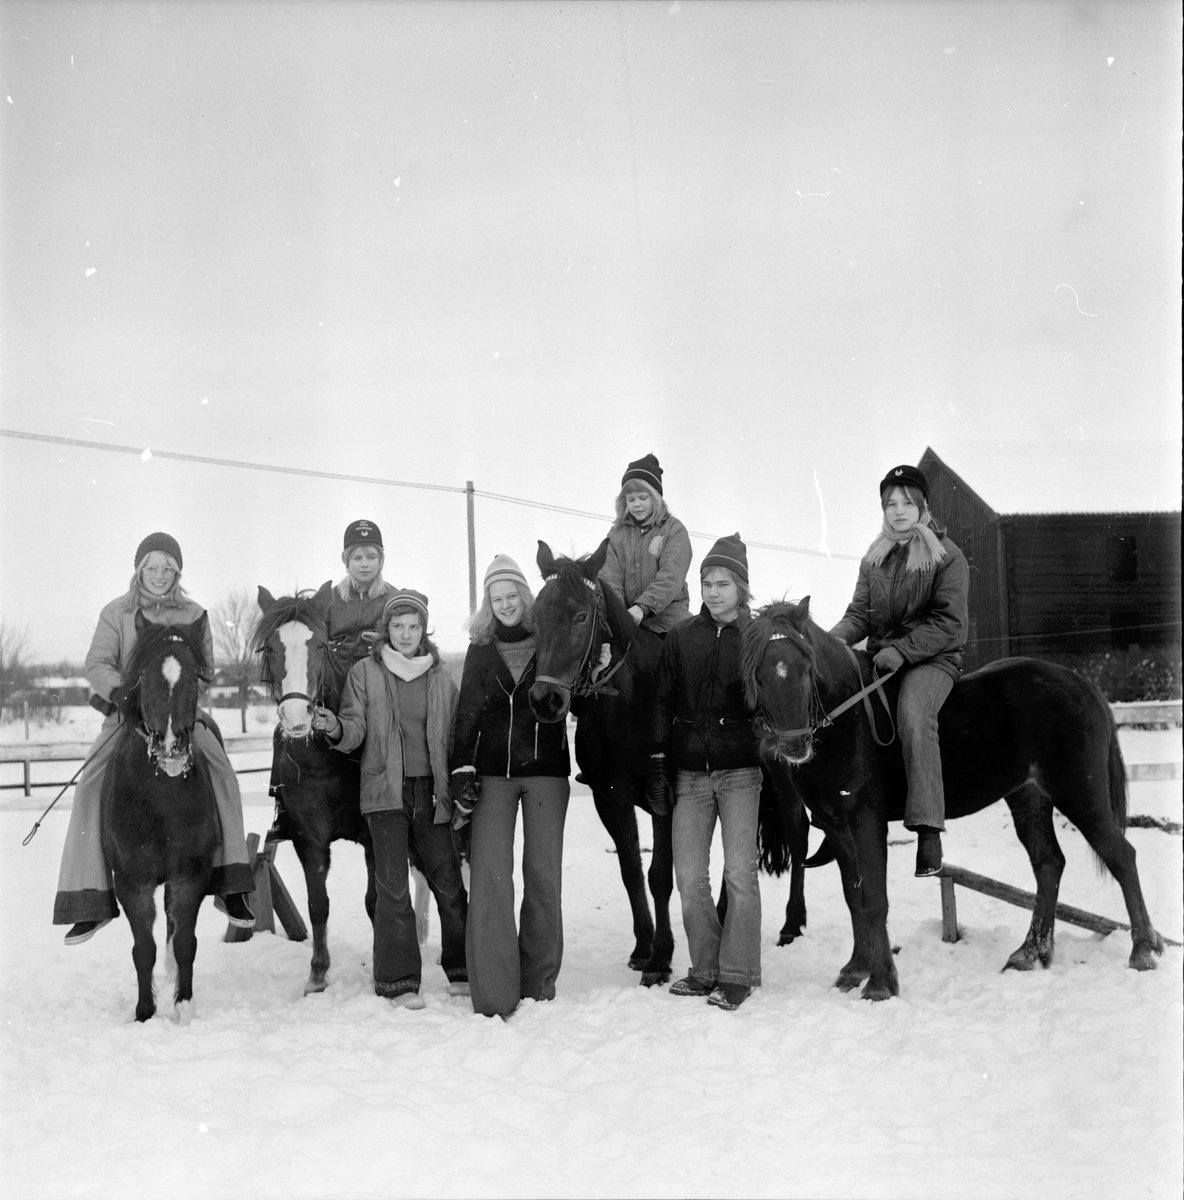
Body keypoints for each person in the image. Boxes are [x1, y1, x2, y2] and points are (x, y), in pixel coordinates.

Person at [53, 533, 255, 943]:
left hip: (181, 716)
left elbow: (208, 670)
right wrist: (122, 695)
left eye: (168, 568)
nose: (160, 575)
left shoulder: (195, 613)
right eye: (152, 567)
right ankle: (89, 898)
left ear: (178, 572)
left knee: (221, 772)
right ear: (139, 569)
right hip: (128, 715)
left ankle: (231, 881)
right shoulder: (117, 613)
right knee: (90, 784)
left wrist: (184, 701)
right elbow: (97, 663)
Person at [313, 589, 468, 1009]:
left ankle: (462, 969)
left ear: (424, 629)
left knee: (448, 881)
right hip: (385, 792)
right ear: (387, 629)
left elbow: (454, 735)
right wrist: (334, 728)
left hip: (432, 792)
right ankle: (398, 982)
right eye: (397, 626)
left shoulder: (440, 675)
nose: (405, 633)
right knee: (393, 888)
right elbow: (355, 728)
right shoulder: (365, 672)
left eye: (413, 626)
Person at [829, 464, 970, 877]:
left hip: (933, 659)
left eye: (907, 501)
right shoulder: (875, 557)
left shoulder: (947, 555)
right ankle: (837, 811)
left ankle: (928, 830)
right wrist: (831, 642)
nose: (898, 510)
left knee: (912, 715)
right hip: (881, 657)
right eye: (890, 503)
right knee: (840, 707)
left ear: (922, 504)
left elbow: (949, 622)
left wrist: (904, 652)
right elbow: (858, 614)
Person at [450, 554, 571, 1019]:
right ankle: (496, 994)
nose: (504, 605)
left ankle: (539, 983)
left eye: (510, 596)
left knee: (543, 876)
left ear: (525, 596)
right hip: (492, 776)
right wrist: (462, 767)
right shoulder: (479, 648)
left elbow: (574, 691)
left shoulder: (551, 640)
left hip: (546, 771)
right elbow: (466, 715)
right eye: (495, 598)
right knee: (491, 879)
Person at [648, 534, 763, 1011]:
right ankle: (705, 969)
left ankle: (737, 974)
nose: (713, 591)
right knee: (690, 876)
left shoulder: (758, 636)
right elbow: (661, 703)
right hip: (691, 776)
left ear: (741, 586)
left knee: (739, 873)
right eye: (706, 583)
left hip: (740, 772)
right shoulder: (681, 637)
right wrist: (658, 760)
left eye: (723, 583)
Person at [268, 518, 396, 836]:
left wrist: (377, 644)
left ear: (381, 559)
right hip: (335, 681)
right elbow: (311, 638)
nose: (364, 563)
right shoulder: (331, 600)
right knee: (283, 730)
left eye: (371, 556)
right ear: (346, 561)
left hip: (375, 681)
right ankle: (284, 806)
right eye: (357, 557)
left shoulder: (393, 598)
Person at [599, 453, 692, 638]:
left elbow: (671, 575)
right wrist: (620, 615)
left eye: (643, 497)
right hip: (629, 623)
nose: (637, 505)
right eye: (631, 499)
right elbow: (610, 578)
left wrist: (642, 607)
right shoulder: (616, 535)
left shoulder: (674, 530)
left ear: (656, 497)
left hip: (669, 626)